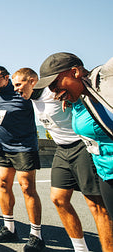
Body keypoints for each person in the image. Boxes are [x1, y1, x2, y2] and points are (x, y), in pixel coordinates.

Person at [14, 67, 112, 252]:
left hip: (82, 147)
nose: (16, 89)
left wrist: (72, 101)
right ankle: (80, 249)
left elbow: (83, 92)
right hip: (62, 150)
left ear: (33, 81)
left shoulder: (53, 93)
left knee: (96, 205)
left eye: (19, 84)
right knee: (58, 199)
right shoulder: (31, 99)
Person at [34, 52, 113, 221]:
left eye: (55, 84)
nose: (54, 92)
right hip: (106, 172)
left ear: (75, 72)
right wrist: (70, 96)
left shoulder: (106, 79)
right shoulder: (79, 98)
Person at [0, 65, 45, 252]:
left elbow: (44, 103)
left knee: (27, 188)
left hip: (24, 147)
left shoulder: (23, 93)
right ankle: (9, 228)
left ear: (6, 78)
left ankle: (36, 235)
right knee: (4, 184)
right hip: (3, 149)